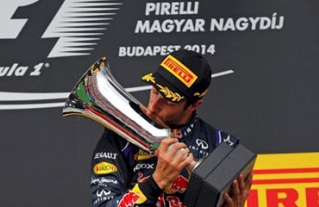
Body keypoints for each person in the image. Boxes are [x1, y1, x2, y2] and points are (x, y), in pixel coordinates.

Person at [91, 49, 253, 207]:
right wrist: (155, 183)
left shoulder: (223, 146)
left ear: (194, 105)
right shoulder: (120, 136)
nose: (153, 107)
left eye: (168, 101)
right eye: (154, 92)